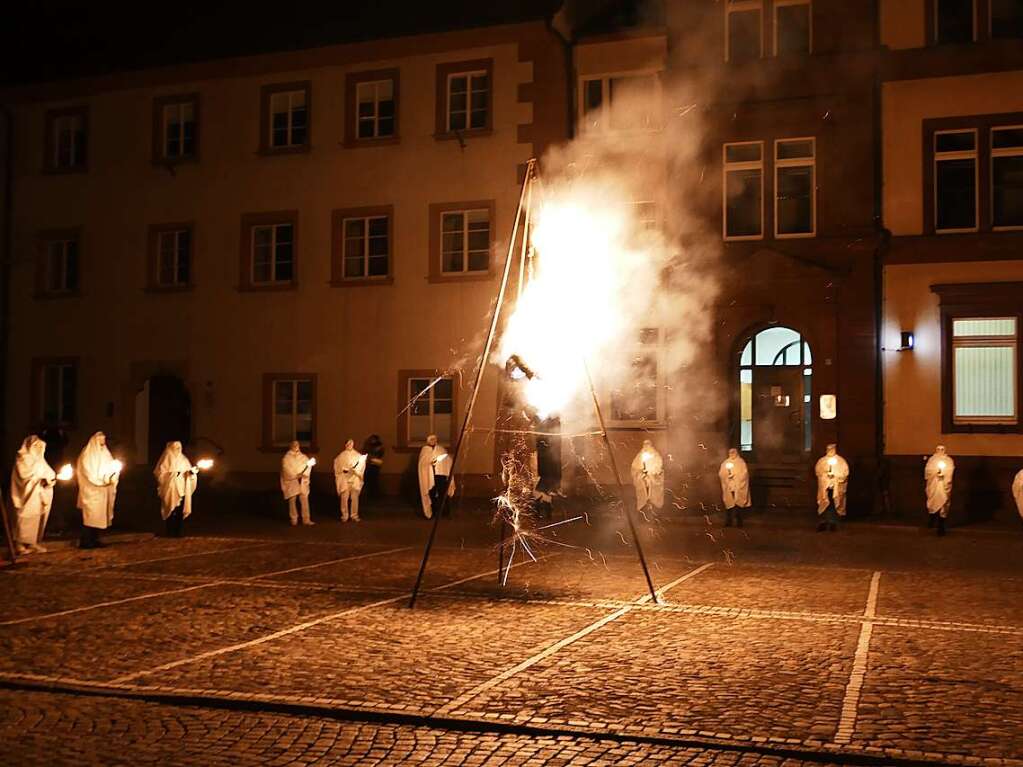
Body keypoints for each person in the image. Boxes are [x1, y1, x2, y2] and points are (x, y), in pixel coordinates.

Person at [10, 435, 57, 554]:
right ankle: (19, 544)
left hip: (39, 495)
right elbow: (24, 475)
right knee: (24, 518)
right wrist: (38, 479)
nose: (38, 448)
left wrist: (50, 480)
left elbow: (49, 473)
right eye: (36, 446)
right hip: (27, 495)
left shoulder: (40, 460)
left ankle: (32, 542)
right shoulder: (23, 458)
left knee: (36, 518)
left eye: (40, 446)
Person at [76, 431, 120, 548]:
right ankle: (86, 541)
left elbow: (112, 468)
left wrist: (111, 478)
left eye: (103, 441)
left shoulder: (105, 454)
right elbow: (87, 472)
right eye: (100, 441)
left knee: (99, 517)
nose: (102, 444)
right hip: (92, 491)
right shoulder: (88, 454)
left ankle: (95, 539)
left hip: (103, 491)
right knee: (91, 516)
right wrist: (101, 480)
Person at [153, 441, 197, 538]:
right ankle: (170, 532)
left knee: (179, 511)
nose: (177, 450)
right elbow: (159, 473)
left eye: (179, 448)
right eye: (175, 448)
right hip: (170, 489)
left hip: (181, 489)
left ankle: (178, 532)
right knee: (171, 510)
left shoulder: (184, 459)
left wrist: (191, 473)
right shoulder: (166, 458)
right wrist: (173, 474)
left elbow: (188, 473)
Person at [417, 434, 454, 519]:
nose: (433, 441)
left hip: (441, 475)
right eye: (431, 439)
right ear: (428, 441)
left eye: (434, 439)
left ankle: (444, 512)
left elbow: (448, 460)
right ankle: (433, 512)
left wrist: (443, 461)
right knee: (432, 494)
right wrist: (430, 462)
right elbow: (422, 463)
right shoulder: (424, 450)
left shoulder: (441, 449)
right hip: (430, 476)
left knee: (443, 493)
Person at [814, 443, 849, 532]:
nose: (830, 451)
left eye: (832, 449)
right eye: (828, 449)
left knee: (835, 503)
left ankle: (834, 522)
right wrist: (826, 475)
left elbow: (844, 474)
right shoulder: (822, 461)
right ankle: (824, 521)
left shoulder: (841, 461)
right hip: (825, 488)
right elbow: (818, 472)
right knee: (825, 502)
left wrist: (835, 476)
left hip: (836, 488)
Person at [280, 441, 314, 526]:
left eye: (297, 445)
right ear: (291, 446)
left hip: (302, 480)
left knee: (304, 500)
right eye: (294, 445)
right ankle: (294, 519)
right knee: (292, 500)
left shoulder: (303, 457)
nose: (296, 446)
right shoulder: (287, 458)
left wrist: (304, 474)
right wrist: (295, 475)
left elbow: (308, 466)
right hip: (292, 481)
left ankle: (306, 519)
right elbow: (286, 469)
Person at [924, 445, 954, 537]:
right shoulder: (932, 460)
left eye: (942, 449)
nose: (940, 451)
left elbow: (950, 470)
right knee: (933, 502)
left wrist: (944, 475)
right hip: (934, 484)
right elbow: (928, 471)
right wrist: (935, 473)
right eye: (939, 449)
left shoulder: (948, 460)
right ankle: (932, 519)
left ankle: (941, 525)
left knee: (943, 503)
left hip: (943, 485)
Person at [333, 439, 366, 522]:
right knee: (344, 498)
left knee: (355, 498)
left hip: (354, 479)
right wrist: (344, 470)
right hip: (345, 480)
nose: (350, 444)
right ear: (345, 445)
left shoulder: (358, 455)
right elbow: (337, 466)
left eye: (351, 443)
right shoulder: (341, 456)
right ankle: (345, 515)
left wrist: (356, 471)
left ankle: (354, 515)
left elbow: (361, 465)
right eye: (348, 443)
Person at [718, 448, 751, 527]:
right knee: (729, 503)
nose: (732, 454)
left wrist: (735, 476)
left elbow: (744, 474)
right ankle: (729, 521)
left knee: (738, 503)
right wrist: (727, 476)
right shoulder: (725, 463)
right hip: (729, 487)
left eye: (733, 452)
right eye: (730, 452)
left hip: (738, 487)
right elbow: (721, 474)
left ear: (736, 453)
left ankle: (739, 521)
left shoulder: (741, 462)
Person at [630, 439, 664, 513]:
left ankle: (653, 506)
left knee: (651, 485)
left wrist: (652, 472)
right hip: (643, 479)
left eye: (648, 444)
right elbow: (634, 468)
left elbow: (659, 467)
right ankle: (644, 506)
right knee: (643, 484)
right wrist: (641, 472)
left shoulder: (656, 455)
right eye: (645, 445)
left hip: (653, 479)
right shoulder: (640, 456)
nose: (646, 447)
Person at [361, 434, 385, 500]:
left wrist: (371, 457)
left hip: (375, 465)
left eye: (373, 439)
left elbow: (378, 453)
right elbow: (366, 452)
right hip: (370, 465)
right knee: (369, 480)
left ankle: (375, 495)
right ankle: (371, 495)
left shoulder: (378, 446)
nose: (372, 440)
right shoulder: (369, 446)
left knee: (374, 480)